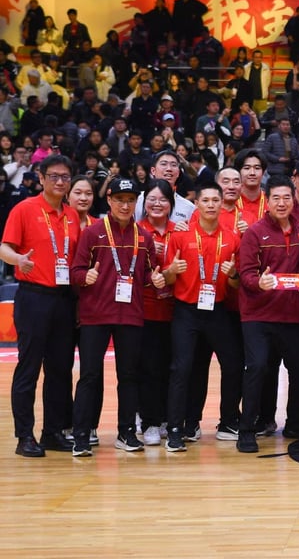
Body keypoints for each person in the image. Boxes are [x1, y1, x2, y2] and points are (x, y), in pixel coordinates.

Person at [69, 178, 162, 456]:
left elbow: (148, 275)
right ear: (109, 200)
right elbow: (75, 272)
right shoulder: (93, 233)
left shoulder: (144, 237)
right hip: (95, 316)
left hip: (130, 316)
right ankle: (82, 435)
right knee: (89, 376)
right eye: (120, 199)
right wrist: (86, 276)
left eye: (130, 200)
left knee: (129, 376)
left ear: (137, 203)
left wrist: (157, 279)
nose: (125, 205)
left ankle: (126, 433)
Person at [1, 155, 79, 457]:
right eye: (54, 176)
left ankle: (52, 432)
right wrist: (18, 260)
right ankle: (24, 436)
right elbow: (4, 247)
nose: (60, 182)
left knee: (60, 369)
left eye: (65, 177)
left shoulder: (72, 215)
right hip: (33, 297)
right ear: (42, 177)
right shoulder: (25, 209)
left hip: (63, 299)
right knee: (29, 368)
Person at [235, 176, 299, 453]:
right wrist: (260, 282)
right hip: (258, 315)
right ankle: (247, 428)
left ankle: (295, 422)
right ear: (267, 202)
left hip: (292, 316)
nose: (282, 203)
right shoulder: (255, 233)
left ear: (294, 201)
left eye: (286, 198)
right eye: (276, 198)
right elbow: (245, 274)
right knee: (257, 368)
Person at [162, 181, 242, 452]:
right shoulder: (180, 236)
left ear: (222, 204)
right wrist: (171, 270)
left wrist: (233, 275)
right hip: (186, 311)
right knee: (182, 369)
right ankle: (177, 427)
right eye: (205, 200)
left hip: (217, 310)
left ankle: (229, 421)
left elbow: (234, 284)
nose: (210, 205)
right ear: (196, 203)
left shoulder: (232, 237)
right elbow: (167, 278)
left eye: (214, 201)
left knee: (233, 364)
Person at [137, 179, 177, 445]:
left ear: (171, 204)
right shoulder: (137, 231)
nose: (157, 204)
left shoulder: (181, 230)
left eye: (163, 199)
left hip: (176, 310)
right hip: (144, 309)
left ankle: (165, 417)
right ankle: (149, 420)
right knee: (148, 368)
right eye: (152, 199)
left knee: (170, 368)